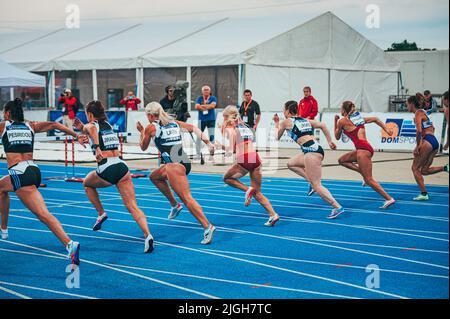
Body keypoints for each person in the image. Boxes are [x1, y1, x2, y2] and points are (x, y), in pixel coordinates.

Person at [0, 98, 87, 265]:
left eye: (5, 112)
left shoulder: (4, 126)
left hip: (20, 173)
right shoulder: (30, 125)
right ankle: (3, 229)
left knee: (43, 214)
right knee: (1, 187)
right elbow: (54, 125)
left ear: (8, 114)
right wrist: (76, 135)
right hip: (33, 170)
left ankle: (69, 244)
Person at [73, 100, 154, 253]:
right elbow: (92, 133)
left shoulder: (91, 125)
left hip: (107, 168)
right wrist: (84, 135)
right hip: (122, 167)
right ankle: (147, 235)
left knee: (87, 183)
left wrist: (94, 145)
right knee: (132, 206)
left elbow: (91, 130)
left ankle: (101, 213)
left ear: (90, 114)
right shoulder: (108, 126)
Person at [137, 102, 217, 244]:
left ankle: (207, 226)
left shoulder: (151, 127)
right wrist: (208, 143)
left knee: (187, 198)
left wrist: (141, 131)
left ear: (150, 115)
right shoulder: (174, 122)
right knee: (154, 177)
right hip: (183, 162)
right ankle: (175, 205)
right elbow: (194, 129)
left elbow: (143, 147)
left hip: (174, 166)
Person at [274, 101, 344, 219]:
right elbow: (323, 125)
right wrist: (329, 141)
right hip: (312, 149)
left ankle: (337, 206)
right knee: (291, 164)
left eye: (283, 109)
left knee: (317, 185)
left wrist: (277, 123)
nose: (283, 112)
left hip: (311, 152)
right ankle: (310, 182)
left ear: (287, 111)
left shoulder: (286, 122)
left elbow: (276, 137)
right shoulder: (305, 120)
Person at [217, 106, 279, 226]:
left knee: (226, 178)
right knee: (257, 192)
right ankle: (273, 214)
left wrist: (220, 146)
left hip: (245, 159)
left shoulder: (231, 128)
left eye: (224, 117)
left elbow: (230, 150)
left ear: (227, 117)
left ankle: (248, 190)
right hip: (255, 159)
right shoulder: (245, 126)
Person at [334, 101, 396, 209]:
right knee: (342, 160)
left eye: (341, 108)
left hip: (363, 150)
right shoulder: (359, 119)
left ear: (344, 110)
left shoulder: (342, 121)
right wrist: (386, 130)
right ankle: (362, 173)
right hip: (363, 149)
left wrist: (335, 121)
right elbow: (376, 119)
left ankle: (389, 198)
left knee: (369, 179)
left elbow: (337, 137)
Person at [406, 93, 449, 201]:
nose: (407, 107)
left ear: (411, 104)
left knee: (415, 168)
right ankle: (445, 168)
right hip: (433, 141)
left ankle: (424, 194)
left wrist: (418, 145)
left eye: (407, 104)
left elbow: (419, 130)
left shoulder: (418, 113)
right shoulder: (423, 112)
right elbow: (432, 128)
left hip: (427, 141)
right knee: (424, 170)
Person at [195, 86, 217, 159]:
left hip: (211, 120)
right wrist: (207, 106)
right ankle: (198, 154)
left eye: (207, 90)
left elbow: (212, 106)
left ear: (210, 91)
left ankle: (211, 155)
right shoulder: (199, 98)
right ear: (202, 91)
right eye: (204, 90)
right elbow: (196, 107)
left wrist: (202, 106)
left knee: (211, 137)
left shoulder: (213, 98)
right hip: (201, 120)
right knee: (199, 136)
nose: (206, 91)